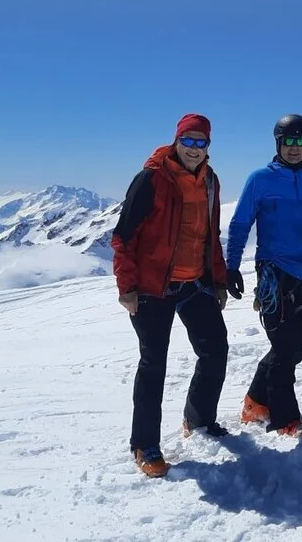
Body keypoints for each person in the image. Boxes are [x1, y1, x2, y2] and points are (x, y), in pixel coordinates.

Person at [111, 113, 231, 478]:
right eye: (189, 141)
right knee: (154, 364)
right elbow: (123, 236)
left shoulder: (210, 180)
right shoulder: (152, 178)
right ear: (177, 141)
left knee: (215, 350)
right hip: (152, 288)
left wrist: (219, 281)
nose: (195, 148)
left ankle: (198, 420)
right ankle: (144, 444)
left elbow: (210, 237)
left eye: (202, 142)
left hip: (195, 284)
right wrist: (127, 288)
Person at [226, 114, 302, 440]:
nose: (295, 148)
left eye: (301, 142)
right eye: (289, 141)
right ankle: (286, 419)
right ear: (278, 143)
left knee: (294, 349)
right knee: (284, 349)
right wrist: (231, 267)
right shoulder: (260, 179)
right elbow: (240, 223)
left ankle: (255, 401)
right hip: (273, 272)